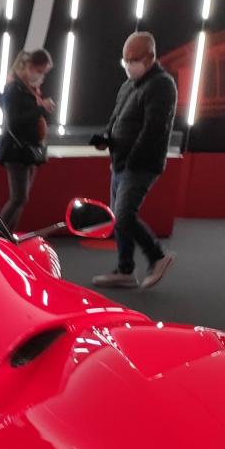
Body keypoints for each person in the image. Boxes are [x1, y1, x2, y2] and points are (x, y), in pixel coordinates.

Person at [90, 31, 177, 290]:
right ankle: (125, 269)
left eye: (134, 59)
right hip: (120, 162)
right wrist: (106, 138)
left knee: (124, 215)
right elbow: (117, 119)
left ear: (150, 57)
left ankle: (157, 256)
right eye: (125, 60)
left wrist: (132, 158)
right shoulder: (128, 85)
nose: (129, 65)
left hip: (140, 164)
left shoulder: (162, 85)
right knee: (118, 219)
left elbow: (154, 129)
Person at [0, 48, 54, 230]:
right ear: (29, 66)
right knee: (18, 198)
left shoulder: (28, 88)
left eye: (44, 73)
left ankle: (6, 234)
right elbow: (14, 121)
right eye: (40, 71)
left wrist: (41, 108)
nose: (41, 76)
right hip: (16, 150)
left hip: (28, 150)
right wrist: (41, 108)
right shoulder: (13, 88)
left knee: (21, 199)